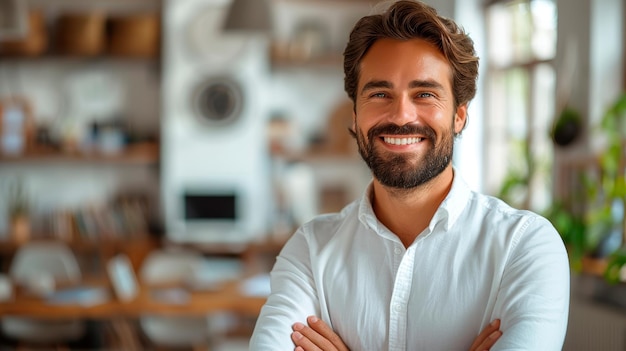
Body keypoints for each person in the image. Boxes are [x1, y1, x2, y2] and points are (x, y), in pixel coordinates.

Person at [249, 1, 570, 350]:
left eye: (425, 94)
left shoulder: (524, 246)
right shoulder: (310, 250)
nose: (401, 115)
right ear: (355, 116)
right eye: (380, 93)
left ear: (459, 116)